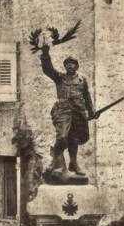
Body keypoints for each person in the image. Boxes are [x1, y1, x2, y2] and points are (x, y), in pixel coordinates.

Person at [40, 44, 97, 177]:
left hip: (78, 113)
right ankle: (54, 161)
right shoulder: (60, 78)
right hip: (63, 112)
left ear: (77, 66)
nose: (70, 66)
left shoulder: (82, 80)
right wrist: (45, 54)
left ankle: (73, 163)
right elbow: (48, 69)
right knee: (62, 137)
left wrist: (92, 111)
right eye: (68, 64)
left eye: (73, 64)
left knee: (74, 139)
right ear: (65, 66)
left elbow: (87, 97)